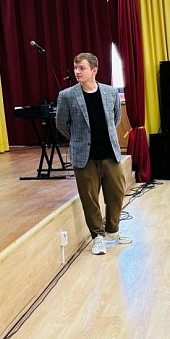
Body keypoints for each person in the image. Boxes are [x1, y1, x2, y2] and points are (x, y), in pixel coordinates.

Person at [55, 53, 129, 255]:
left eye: (82, 68)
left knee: (116, 194)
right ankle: (97, 237)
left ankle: (112, 232)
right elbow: (61, 124)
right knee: (90, 199)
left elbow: (115, 118)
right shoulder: (67, 95)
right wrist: (78, 140)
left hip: (110, 154)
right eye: (75, 68)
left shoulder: (110, 92)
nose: (77, 72)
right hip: (84, 157)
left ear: (94, 70)